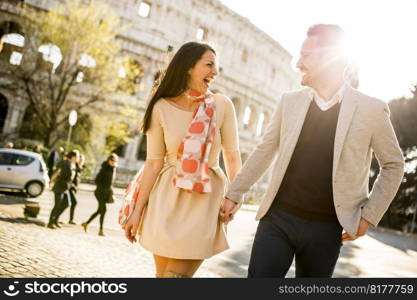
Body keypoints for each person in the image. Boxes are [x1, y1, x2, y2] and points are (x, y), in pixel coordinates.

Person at [222, 24, 405, 277]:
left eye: (306, 56)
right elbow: (265, 150)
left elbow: (394, 164)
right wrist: (234, 192)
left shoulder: (371, 109)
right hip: (277, 220)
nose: (298, 63)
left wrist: (369, 216)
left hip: (328, 229)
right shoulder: (289, 101)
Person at [122, 41, 242, 278]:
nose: (215, 72)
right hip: (166, 198)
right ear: (188, 66)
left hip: (205, 198)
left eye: (216, 67)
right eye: (209, 65)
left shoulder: (222, 105)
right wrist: (136, 211)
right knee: (164, 277)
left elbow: (231, 154)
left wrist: (236, 194)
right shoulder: (160, 107)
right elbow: (154, 162)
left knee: (176, 278)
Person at [82, 154, 118, 236]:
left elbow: (110, 182)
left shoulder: (113, 169)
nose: (113, 162)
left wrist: (110, 190)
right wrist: (103, 188)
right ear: (108, 160)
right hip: (100, 193)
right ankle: (100, 230)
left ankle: (86, 223)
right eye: (112, 160)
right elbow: (97, 180)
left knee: (100, 211)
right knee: (103, 210)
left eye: (115, 161)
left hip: (106, 193)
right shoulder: (105, 168)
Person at [47, 150, 78, 229]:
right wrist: (51, 181)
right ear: (73, 156)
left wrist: (71, 184)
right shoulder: (65, 163)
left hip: (65, 187)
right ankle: (50, 222)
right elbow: (58, 172)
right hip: (60, 186)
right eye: (77, 156)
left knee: (67, 203)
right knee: (57, 205)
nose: (77, 158)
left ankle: (55, 220)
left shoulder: (72, 164)